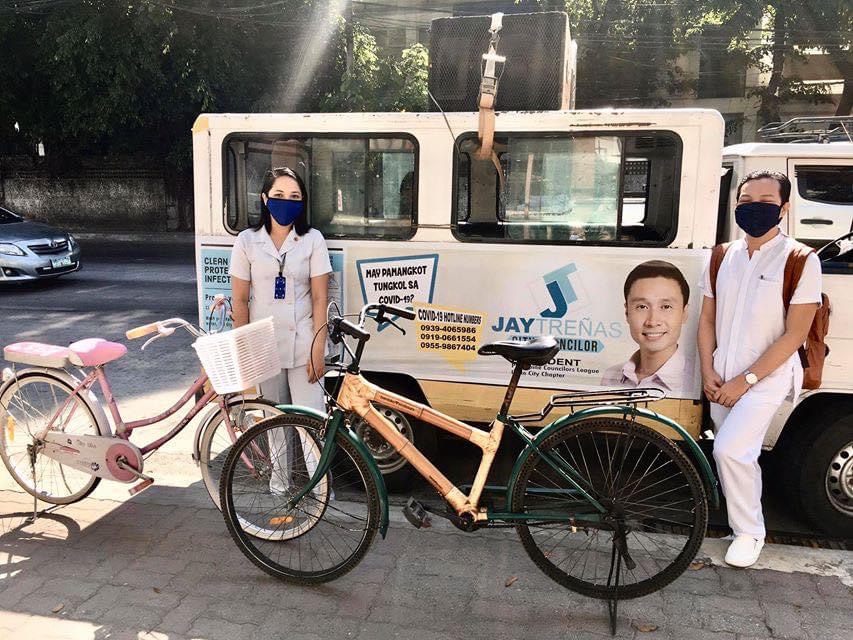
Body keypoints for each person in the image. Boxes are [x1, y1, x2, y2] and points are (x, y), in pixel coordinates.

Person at [698, 170, 821, 568]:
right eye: (746, 201)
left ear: (784, 208)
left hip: (766, 378)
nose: (754, 209)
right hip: (721, 375)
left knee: (730, 450)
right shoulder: (721, 256)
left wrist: (745, 380)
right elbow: (706, 319)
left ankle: (750, 532)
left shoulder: (801, 260)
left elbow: (795, 334)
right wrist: (708, 370)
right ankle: (742, 525)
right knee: (737, 454)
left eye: (766, 202)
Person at [229, 166, 332, 494]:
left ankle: (321, 490)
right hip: (263, 345)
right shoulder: (247, 241)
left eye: (294, 196)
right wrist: (243, 351)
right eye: (279, 195)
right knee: (274, 422)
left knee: (311, 423)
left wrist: (319, 348)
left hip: (304, 343)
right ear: (265, 199)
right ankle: (279, 487)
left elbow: (320, 298)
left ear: (302, 202)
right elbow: (240, 301)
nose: (286, 202)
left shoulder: (312, 240)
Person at [601, 260, 693, 396]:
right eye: (642, 307)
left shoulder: (696, 380)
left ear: (684, 313)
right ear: (627, 312)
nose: (653, 321)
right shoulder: (611, 376)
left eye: (666, 307)